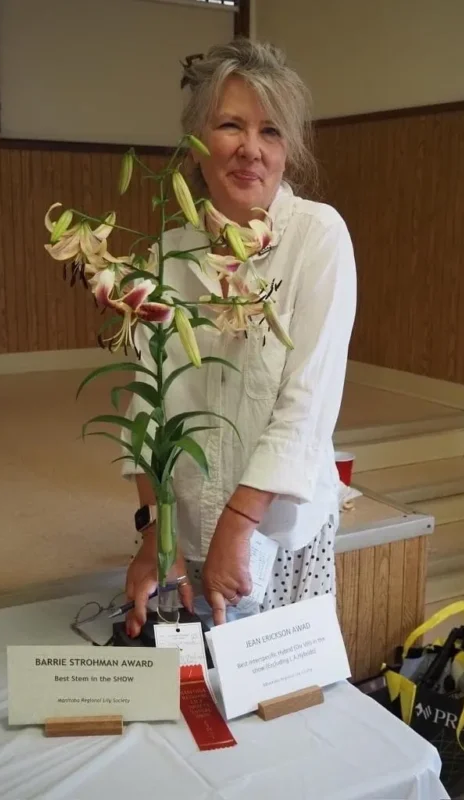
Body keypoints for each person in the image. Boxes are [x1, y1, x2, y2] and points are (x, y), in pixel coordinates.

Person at [123, 38, 357, 636]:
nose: (252, 150)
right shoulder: (165, 257)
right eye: (231, 125)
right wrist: (156, 530)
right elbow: (146, 408)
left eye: (272, 132)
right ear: (195, 143)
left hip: (272, 530)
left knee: (275, 702)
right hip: (185, 531)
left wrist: (238, 524)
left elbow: (308, 404)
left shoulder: (317, 237)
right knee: (190, 700)